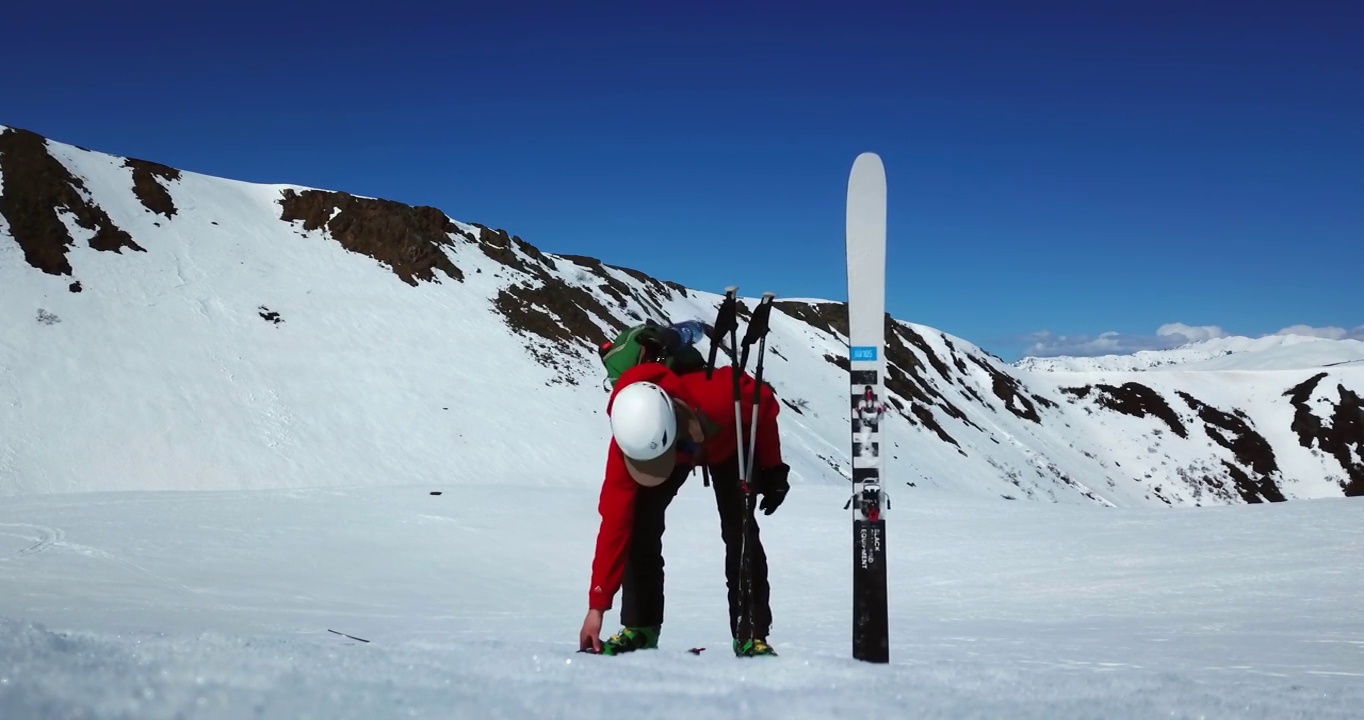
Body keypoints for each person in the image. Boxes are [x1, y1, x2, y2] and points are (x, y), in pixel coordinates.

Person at [577, 358, 791, 658]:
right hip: (672, 449)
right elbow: (615, 524)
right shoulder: (628, 443)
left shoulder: (721, 396)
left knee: (740, 532)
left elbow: (763, 405)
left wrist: (773, 468)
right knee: (639, 526)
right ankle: (641, 627)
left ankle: (751, 633)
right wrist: (597, 606)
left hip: (730, 445)